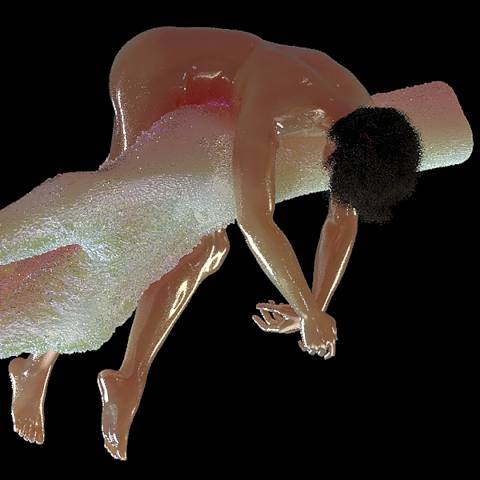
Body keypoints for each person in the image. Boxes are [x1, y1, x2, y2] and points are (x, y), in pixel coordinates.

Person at [6, 27, 421, 459]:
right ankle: (37, 362)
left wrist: (314, 306)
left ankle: (128, 378)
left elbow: (340, 220)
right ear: (339, 145)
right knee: (116, 221)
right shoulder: (278, 101)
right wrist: (308, 310)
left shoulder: (366, 123)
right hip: (155, 68)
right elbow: (256, 221)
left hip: (215, 92)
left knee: (206, 250)